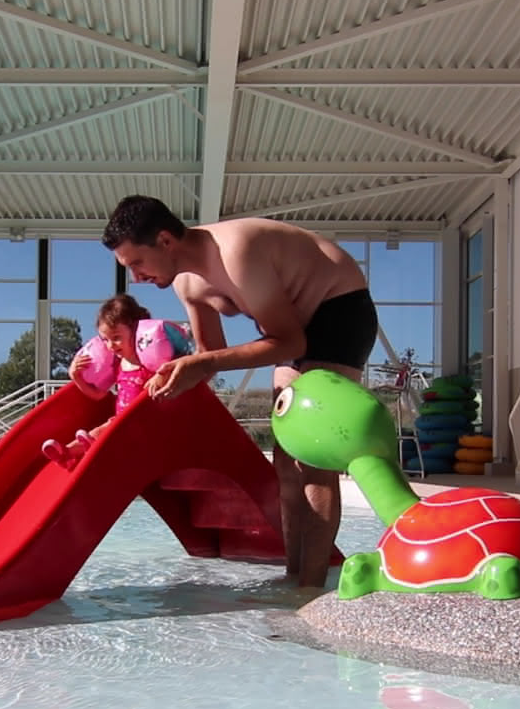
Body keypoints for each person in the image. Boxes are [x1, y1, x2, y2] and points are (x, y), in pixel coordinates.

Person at [100, 195, 378, 588]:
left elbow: (290, 344)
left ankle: (310, 587)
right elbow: (209, 356)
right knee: (285, 463)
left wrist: (203, 365)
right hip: (293, 331)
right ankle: (295, 577)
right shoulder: (186, 282)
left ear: (165, 241)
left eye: (136, 263)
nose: (136, 278)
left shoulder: (235, 254)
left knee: (312, 459)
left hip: (338, 310)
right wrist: (159, 391)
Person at [41, 292, 173, 470]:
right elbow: (97, 396)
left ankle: (84, 449)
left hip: (147, 426)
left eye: (117, 337)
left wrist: (160, 375)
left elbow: (177, 371)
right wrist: (76, 377)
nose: (111, 345)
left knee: (105, 430)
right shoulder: (118, 364)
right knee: (103, 429)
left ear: (135, 330)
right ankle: (67, 453)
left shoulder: (151, 361)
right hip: (123, 422)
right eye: (105, 339)